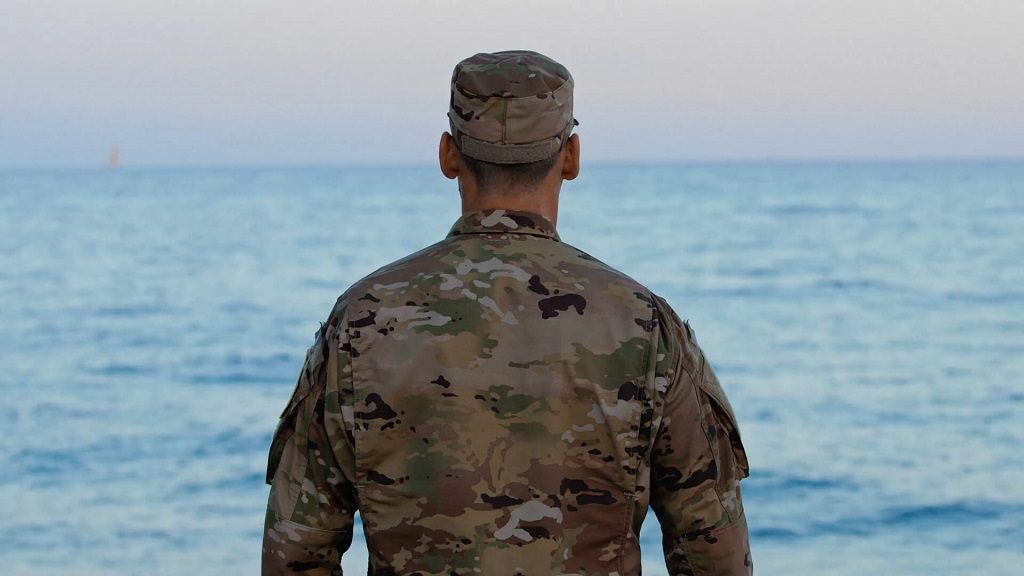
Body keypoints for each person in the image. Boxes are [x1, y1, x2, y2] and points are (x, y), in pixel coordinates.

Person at [263, 50, 751, 575]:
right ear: (571, 157)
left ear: (449, 155)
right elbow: (713, 554)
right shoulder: (642, 323)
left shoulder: (360, 322)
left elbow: (297, 551)